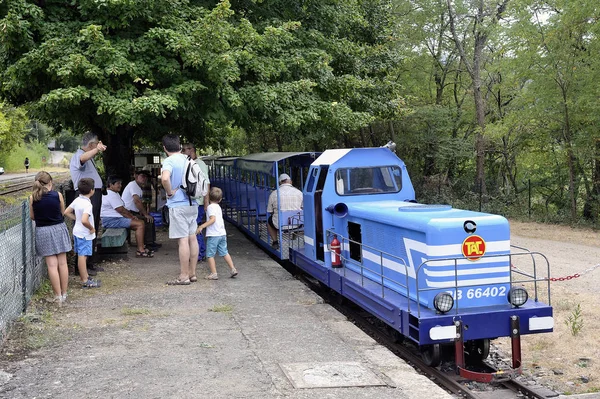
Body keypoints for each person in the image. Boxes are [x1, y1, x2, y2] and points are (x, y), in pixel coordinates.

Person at [160, 134, 199, 285]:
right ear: (179, 145)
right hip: (192, 203)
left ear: (164, 148)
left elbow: (164, 178)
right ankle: (193, 273)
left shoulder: (169, 161)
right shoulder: (188, 159)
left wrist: (169, 192)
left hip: (178, 205)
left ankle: (184, 276)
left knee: (182, 240)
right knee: (192, 237)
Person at [29, 171, 72, 304]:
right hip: (59, 229)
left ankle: (57, 296)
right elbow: (61, 212)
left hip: (43, 232)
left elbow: (32, 217)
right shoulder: (57, 195)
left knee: (52, 266)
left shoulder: (32, 198)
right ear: (50, 183)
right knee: (62, 263)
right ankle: (64, 294)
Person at [69, 132, 107, 276]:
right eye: (96, 144)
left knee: (93, 226)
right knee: (87, 228)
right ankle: (83, 265)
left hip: (93, 194)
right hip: (87, 195)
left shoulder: (88, 157)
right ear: (91, 145)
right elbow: (82, 159)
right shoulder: (79, 155)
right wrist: (97, 149)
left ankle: (90, 262)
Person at [100, 175, 154, 258]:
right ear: (111, 185)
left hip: (115, 218)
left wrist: (131, 216)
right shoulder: (111, 194)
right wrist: (132, 217)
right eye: (118, 184)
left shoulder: (114, 193)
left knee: (140, 222)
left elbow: (122, 209)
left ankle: (142, 246)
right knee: (140, 224)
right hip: (112, 220)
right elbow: (121, 210)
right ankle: (140, 250)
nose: (120, 186)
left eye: (121, 184)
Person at [63, 178, 101, 288]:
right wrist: (91, 228)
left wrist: (76, 219)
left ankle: (84, 276)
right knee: (82, 256)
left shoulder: (77, 200)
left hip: (77, 231)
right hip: (85, 233)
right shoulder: (88, 205)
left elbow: (66, 212)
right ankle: (85, 280)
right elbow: (85, 220)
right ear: (92, 190)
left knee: (81, 255)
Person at [197, 187, 238, 280]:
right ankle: (233, 269)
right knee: (224, 252)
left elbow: (213, 219)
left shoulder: (210, 208)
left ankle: (214, 273)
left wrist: (202, 226)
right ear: (220, 199)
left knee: (210, 255)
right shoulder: (218, 207)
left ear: (209, 197)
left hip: (213, 234)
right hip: (222, 233)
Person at [182, 143, 210, 261]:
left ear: (191, 150)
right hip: (193, 202)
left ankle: (200, 253)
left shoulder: (200, 164)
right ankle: (198, 253)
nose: (183, 152)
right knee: (193, 228)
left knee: (195, 228)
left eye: (184, 150)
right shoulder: (189, 163)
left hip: (198, 202)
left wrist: (206, 201)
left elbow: (206, 182)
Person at [122, 170, 161, 251]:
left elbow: (139, 203)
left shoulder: (138, 187)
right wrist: (145, 214)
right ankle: (148, 243)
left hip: (132, 211)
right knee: (147, 220)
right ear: (136, 176)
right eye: (142, 176)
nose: (144, 178)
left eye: (145, 177)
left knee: (150, 219)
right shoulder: (133, 185)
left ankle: (151, 241)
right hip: (128, 212)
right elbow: (137, 201)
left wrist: (143, 212)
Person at [267, 173, 303, 250]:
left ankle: (275, 242)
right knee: (299, 215)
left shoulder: (274, 194)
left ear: (280, 182)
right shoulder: (299, 193)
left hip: (279, 224)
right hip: (296, 223)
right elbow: (303, 208)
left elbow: (270, 211)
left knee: (269, 221)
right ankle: (294, 237)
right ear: (290, 182)